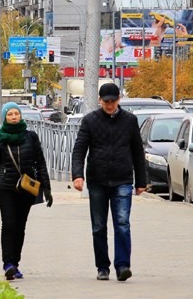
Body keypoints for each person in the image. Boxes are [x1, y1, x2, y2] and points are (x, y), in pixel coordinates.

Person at [71, 82, 147, 283]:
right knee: (98, 226)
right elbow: (79, 149)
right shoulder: (90, 121)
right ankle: (102, 267)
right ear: (100, 100)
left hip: (122, 179)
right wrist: (77, 175)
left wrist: (141, 181)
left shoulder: (130, 121)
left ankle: (123, 266)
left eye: (113, 101)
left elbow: (138, 152)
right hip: (97, 180)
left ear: (119, 100)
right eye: (106, 102)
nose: (110, 105)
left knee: (122, 223)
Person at [0, 102, 52, 281]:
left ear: (20, 116)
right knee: (9, 224)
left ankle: (16, 263)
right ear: (4, 117)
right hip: (6, 188)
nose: (13, 117)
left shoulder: (31, 137)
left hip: (26, 189)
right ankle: (8, 264)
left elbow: (40, 162)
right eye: (10, 114)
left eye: (16, 114)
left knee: (20, 227)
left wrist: (47, 188)